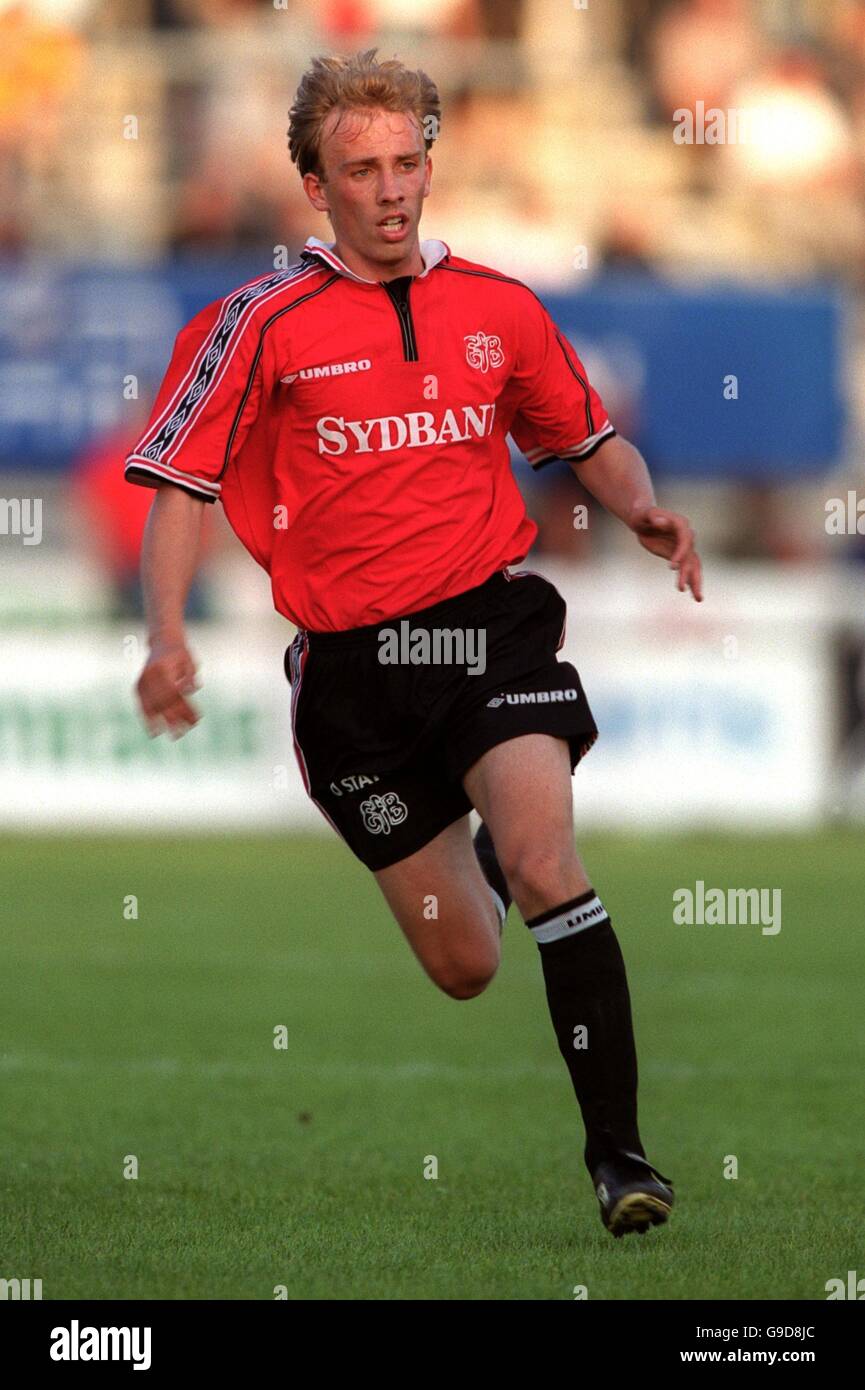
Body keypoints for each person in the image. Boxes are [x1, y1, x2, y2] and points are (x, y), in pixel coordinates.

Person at [126, 49, 703, 1238]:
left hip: (490, 629)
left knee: (551, 864)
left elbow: (585, 436)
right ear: (314, 187)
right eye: (360, 169)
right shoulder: (256, 323)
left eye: (406, 162)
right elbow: (176, 482)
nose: (390, 189)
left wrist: (639, 503)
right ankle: (476, 850)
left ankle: (621, 1158)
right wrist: (166, 635)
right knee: (465, 966)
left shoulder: (499, 305)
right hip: (352, 681)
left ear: (430, 162)